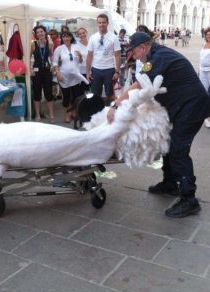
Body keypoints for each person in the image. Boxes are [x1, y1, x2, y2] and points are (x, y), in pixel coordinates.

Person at [107, 32, 210, 218]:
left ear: (144, 48)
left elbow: (139, 85)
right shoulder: (154, 56)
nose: (133, 55)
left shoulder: (159, 57)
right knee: (167, 143)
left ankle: (189, 198)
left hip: (192, 107)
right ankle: (170, 183)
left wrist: (116, 105)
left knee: (178, 148)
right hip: (179, 106)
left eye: (134, 51)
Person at [86, 14, 121, 102]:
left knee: (110, 95)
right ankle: (97, 113)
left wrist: (117, 71)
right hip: (96, 70)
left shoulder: (114, 37)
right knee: (95, 94)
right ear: (97, 23)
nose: (101, 24)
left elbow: (117, 55)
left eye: (104, 22)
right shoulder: (92, 38)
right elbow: (89, 55)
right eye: (100, 22)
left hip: (109, 70)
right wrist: (87, 72)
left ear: (107, 23)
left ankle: (111, 112)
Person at [53, 31, 84, 123]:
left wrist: (81, 56)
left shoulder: (76, 47)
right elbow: (55, 62)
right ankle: (67, 114)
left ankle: (73, 112)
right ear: (62, 39)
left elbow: (80, 62)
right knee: (66, 97)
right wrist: (58, 73)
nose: (66, 39)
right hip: (64, 76)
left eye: (67, 37)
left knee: (75, 96)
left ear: (71, 37)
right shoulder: (59, 48)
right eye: (64, 37)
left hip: (75, 76)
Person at [31, 25, 54, 122]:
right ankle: (38, 115)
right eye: (38, 32)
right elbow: (28, 57)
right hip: (37, 72)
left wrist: (53, 65)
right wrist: (30, 69)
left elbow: (52, 55)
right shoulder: (33, 44)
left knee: (49, 92)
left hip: (47, 71)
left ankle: (51, 115)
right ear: (36, 34)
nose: (40, 33)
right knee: (37, 93)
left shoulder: (50, 43)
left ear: (45, 32)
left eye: (41, 31)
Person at [199, 27, 210, 127]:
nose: (208, 36)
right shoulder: (204, 45)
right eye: (207, 35)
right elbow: (201, 58)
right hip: (203, 71)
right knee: (203, 92)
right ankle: (206, 116)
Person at [76, 27, 90, 93]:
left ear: (86, 33)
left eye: (83, 33)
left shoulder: (91, 43)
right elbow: (78, 61)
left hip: (91, 70)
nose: (82, 35)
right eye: (80, 34)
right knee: (82, 91)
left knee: (91, 90)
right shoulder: (76, 45)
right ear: (78, 35)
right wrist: (80, 57)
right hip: (81, 71)